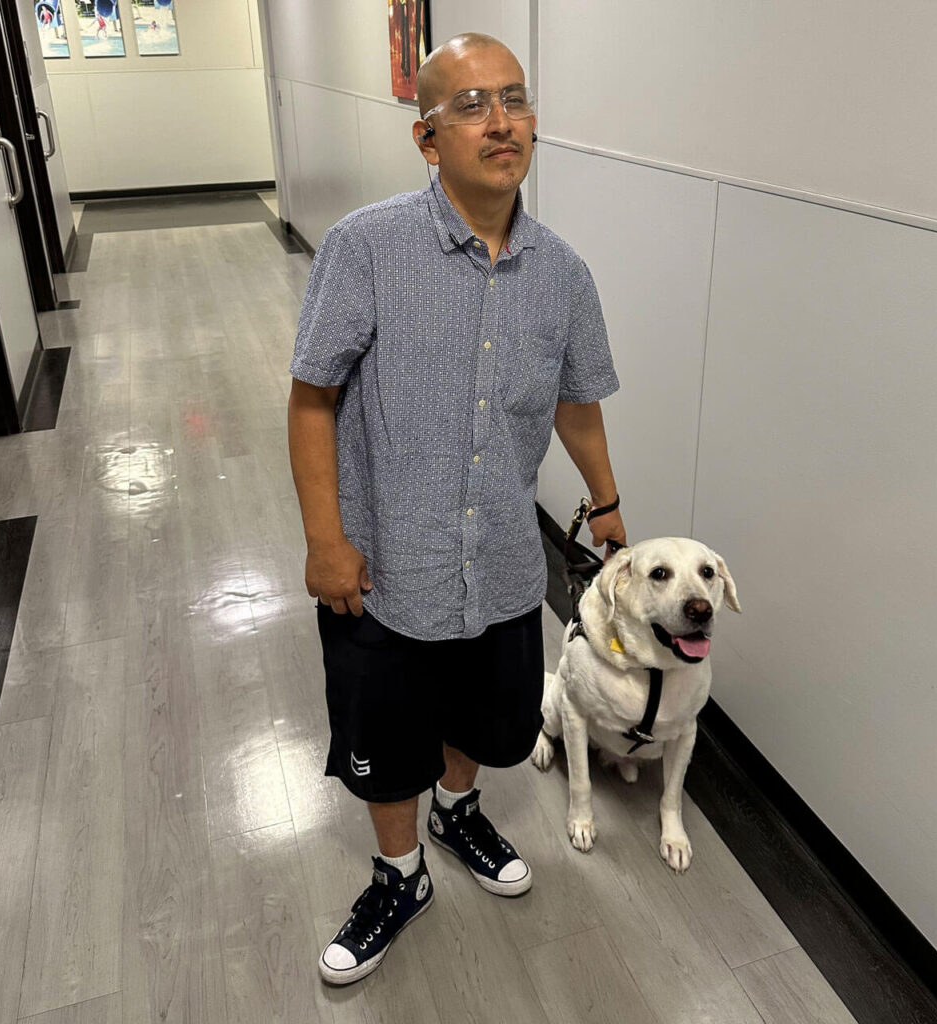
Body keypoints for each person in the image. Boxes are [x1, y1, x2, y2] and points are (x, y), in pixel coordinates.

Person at [287, 32, 625, 986]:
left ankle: (459, 810)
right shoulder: (366, 247)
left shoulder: (561, 273)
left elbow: (576, 398)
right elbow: (312, 396)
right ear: (426, 138)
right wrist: (326, 541)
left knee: (487, 722)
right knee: (386, 739)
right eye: (472, 104)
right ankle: (401, 874)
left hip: (504, 563)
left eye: (514, 98)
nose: (502, 119)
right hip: (386, 563)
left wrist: (607, 504)